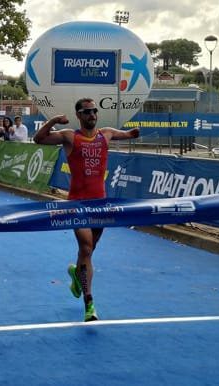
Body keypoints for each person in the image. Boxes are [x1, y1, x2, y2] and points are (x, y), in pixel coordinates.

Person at [33, 97, 139, 322]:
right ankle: (89, 304)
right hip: (77, 205)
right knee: (87, 248)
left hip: (100, 204)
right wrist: (53, 120)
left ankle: (75, 274)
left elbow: (128, 134)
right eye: (87, 112)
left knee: (86, 253)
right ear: (79, 115)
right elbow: (38, 139)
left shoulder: (106, 134)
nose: (92, 115)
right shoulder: (70, 137)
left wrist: (133, 133)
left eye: (94, 111)